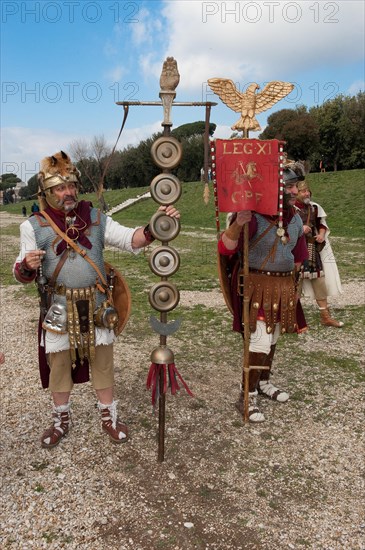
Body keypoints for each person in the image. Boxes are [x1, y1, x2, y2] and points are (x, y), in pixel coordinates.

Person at [13, 150, 180, 448]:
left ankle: (109, 417)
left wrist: (157, 225)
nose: (69, 193)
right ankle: (60, 419)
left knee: (103, 363)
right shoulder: (33, 226)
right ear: (47, 192)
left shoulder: (95, 217)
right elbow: (21, 272)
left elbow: (132, 239)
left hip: (97, 304)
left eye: (72, 186)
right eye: (61, 188)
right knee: (59, 365)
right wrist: (27, 265)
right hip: (58, 306)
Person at [218, 166, 308, 422]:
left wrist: (293, 287)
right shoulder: (251, 216)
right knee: (259, 342)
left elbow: (298, 257)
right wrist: (238, 224)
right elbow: (226, 249)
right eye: (290, 186)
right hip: (257, 287)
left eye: (296, 186)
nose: (295, 191)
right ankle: (246, 395)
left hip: (283, 288)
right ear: (274, 188)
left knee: (274, 338)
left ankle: (263, 383)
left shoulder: (296, 218)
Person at [293, 170, 343, 328]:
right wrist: (300, 228)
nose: (306, 193)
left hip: (312, 249)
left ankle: (325, 316)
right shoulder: (290, 209)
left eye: (307, 190)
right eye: (303, 191)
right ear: (297, 193)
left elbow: (321, 225)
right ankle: (291, 319)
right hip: (295, 251)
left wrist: (321, 235)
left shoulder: (314, 208)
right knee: (295, 284)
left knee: (319, 282)